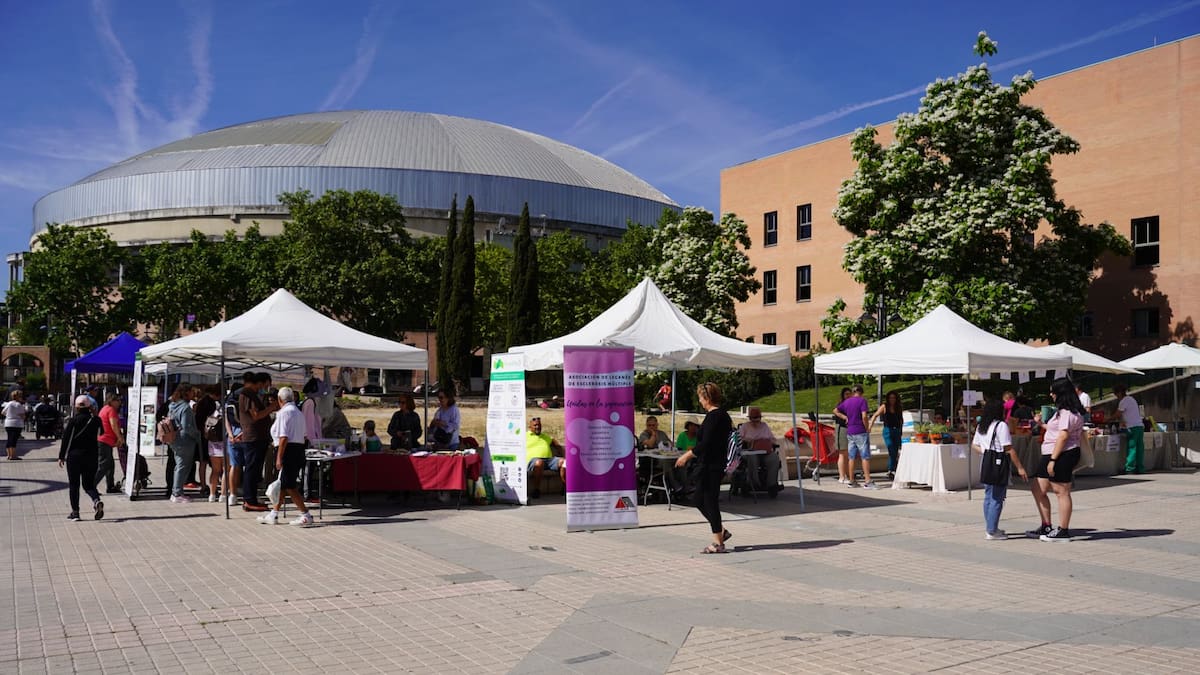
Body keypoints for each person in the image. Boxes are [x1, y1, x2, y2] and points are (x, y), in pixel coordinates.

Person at [675, 382, 733, 553]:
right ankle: (721, 531)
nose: (699, 401)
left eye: (700, 397)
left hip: (711, 466)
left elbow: (706, 443)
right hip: (710, 464)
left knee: (709, 501)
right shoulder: (721, 416)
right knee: (698, 499)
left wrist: (687, 455)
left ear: (707, 398)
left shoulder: (715, 417)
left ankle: (718, 543)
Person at [1027, 377, 1086, 542]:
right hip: (1052, 452)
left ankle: (1063, 530)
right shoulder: (1064, 411)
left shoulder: (1067, 412)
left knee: (1061, 491)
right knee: (1038, 488)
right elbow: (1057, 431)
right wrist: (1041, 424)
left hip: (1061, 453)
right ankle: (1046, 525)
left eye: (1053, 391)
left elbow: (1063, 435)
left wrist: (1053, 460)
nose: (1051, 394)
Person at [972, 398, 1029, 540]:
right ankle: (991, 530)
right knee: (997, 497)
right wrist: (1020, 467)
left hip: (985, 463)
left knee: (988, 496)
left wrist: (986, 452)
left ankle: (990, 527)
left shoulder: (982, 425)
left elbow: (974, 445)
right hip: (998, 464)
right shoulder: (1001, 426)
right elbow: (1008, 449)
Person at [259, 387, 313, 526]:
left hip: (287, 449)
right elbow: (305, 435)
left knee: (289, 485)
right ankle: (274, 513)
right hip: (298, 449)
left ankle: (305, 514)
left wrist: (279, 457)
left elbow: (283, 437)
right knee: (282, 484)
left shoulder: (284, 413)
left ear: (279, 400)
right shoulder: (298, 413)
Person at [58, 395, 105, 521]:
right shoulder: (96, 420)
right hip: (91, 456)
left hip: (75, 456)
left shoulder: (73, 421)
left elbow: (66, 439)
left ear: (76, 407)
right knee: (88, 484)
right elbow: (102, 434)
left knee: (74, 484)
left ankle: (75, 512)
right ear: (90, 406)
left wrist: (61, 456)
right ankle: (96, 500)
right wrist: (95, 415)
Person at [239, 373, 278, 512]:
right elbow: (256, 416)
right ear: (260, 383)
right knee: (252, 469)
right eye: (266, 385)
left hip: (258, 437)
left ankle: (252, 498)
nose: (266, 388)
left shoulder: (251, 394)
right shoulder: (248, 394)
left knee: (255, 471)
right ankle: (249, 500)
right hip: (253, 438)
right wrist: (271, 408)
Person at [835, 385, 876, 489]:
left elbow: (835, 410)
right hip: (860, 431)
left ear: (853, 392)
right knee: (865, 456)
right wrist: (867, 427)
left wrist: (845, 417)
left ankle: (852, 480)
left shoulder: (847, 402)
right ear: (862, 392)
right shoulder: (862, 401)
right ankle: (867, 481)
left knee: (851, 457)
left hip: (850, 431)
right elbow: (864, 416)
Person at [737, 407, 782, 496]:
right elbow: (739, 438)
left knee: (774, 458)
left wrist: (768, 441)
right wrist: (748, 440)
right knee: (753, 459)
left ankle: (771, 484)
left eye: (758, 419)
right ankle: (754, 483)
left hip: (764, 452)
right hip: (750, 451)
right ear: (750, 418)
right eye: (754, 419)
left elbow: (772, 439)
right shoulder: (745, 426)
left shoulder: (764, 426)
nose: (756, 422)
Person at [166, 384, 199, 503]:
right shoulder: (185, 407)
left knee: (178, 466)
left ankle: (176, 491)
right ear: (186, 393)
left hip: (175, 439)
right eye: (191, 392)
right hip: (185, 441)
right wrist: (197, 434)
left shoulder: (172, 405)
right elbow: (186, 426)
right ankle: (177, 493)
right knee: (182, 466)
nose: (193, 394)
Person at [196, 386, 226, 503]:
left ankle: (211, 494)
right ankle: (223, 494)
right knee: (225, 470)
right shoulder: (214, 405)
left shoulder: (202, 402)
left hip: (209, 440)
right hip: (221, 441)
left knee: (214, 469)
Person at [525, 416, 565, 499]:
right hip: (534, 461)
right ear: (530, 427)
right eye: (535, 425)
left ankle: (565, 488)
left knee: (564, 462)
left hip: (549, 460)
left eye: (539, 425)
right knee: (539, 462)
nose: (538, 427)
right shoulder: (525, 436)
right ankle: (536, 490)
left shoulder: (545, 436)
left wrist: (560, 450)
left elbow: (554, 441)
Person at [869, 391, 904, 481]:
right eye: (890, 398)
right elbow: (875, 415)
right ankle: (891, 470)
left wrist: (901, 430)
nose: (892, 400)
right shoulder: (884, 406)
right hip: (888, 430)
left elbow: (901, 419)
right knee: (891, 448)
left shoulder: (898, 407)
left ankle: (892, 470)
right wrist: (870, 426)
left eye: (894, 398)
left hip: (897, 430)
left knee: (895, 451)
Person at [96, 393, 125, 494]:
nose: (119, 402)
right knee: (104, 465)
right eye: (118, 400)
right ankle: (91, 486)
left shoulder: (104, 408)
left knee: (110, 465)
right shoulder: (111, 410)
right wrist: (120, 437)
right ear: (112, 401)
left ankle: (110, 486)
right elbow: (113, 425)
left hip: (104, 440)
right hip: (105, 441)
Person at [1114, 383, 1145, 474]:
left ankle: (1129, 468)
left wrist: (1108, 418)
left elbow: (1118, 414)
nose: (1116, 396)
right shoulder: (1132, 399)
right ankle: (1140, 468)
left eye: (1116, 394)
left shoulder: (1123, 401)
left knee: (1132, 447)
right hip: (1139, 426)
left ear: (1119, 393)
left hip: (1132, 427)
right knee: (1140, 448)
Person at [832, 387, 852, 483]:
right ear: (843, 395)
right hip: (842, 429)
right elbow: (835, 411)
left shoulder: (851, 404)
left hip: (849, 429)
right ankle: (842, 476)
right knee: (842, 454)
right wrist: (844, 417)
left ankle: (847, 475)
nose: (848, 395)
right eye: (846, 394)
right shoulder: (842, 404)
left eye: (849, 393)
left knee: (847, 454)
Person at [4, 389, 26, 460]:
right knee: (14, 440)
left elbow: (2, 412)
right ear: (18, 397)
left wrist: (9, 415)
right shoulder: (19, 405)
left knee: (9, 439)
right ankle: (13, 456)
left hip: (8, 423)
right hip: (16, 424)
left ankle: (8, 455)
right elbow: (23, 416)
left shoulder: (9, 403)